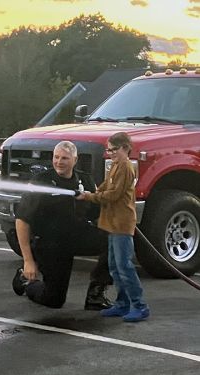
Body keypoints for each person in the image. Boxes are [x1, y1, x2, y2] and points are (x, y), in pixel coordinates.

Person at [12, 140, 112, 309]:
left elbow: (97, 214)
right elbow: (22, 220)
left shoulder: (85, 180)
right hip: (51, 243)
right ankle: (25, 282)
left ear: (75, 159)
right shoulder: (41, 181)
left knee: (115, 240)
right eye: (56, 157)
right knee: (54, 300)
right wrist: (28, 261)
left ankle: (96, 293)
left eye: (64, 158)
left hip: (77, 235)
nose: (59, 162)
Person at [77, 132, 150, 322]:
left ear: (125, 148)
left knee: (125, 267)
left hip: (121, 224)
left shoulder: (126, 166)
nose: (110, 153)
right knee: (114, 267)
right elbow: (105, 186)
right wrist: (93, 191)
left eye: (114, 149)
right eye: (108, 149)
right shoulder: (116, 165)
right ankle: (122, 304)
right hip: (111, 223)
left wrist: (89, 197)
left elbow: (114, 195)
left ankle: (140, 306)